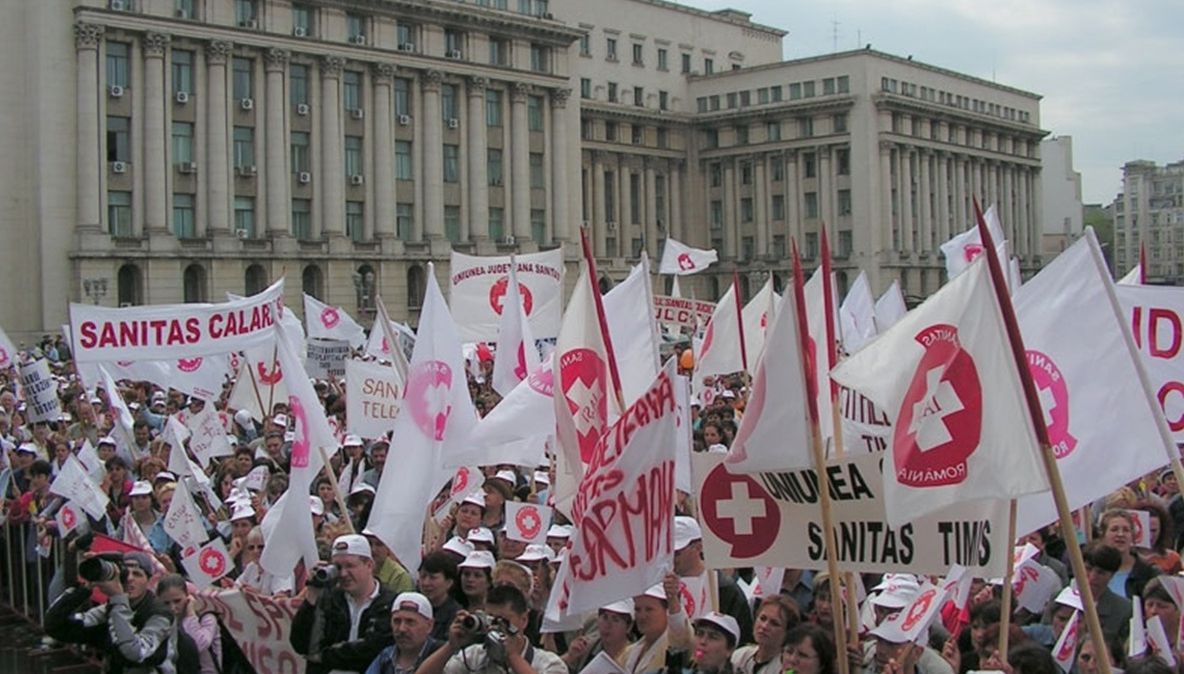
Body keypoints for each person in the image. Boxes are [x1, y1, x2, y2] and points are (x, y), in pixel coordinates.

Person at [45, 550, 176, 673]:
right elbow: (55, 626)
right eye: (124, 574)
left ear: (149, 580)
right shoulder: (108, 610)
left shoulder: (160, 614)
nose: (129, 579)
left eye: (137, 574)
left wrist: (118, 598)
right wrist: (84, 588)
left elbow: (135, 652)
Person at [291, 534, 398, 674]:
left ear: (369, 565)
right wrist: (312, 596)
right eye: (337, 567)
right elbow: (301, 644)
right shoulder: (328, 600)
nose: (343, 574)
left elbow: (373, 648)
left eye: (350, 566)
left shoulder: (390, 602)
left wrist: (323, 656)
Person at [414, 584, 567, 674]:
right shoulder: (474, 656)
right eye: (490, 619)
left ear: (524, 619)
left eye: (503, 620)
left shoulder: (549, 663)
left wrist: (513, 656)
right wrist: (450, 646)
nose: (495, 627)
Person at [672, 517, 753, 645]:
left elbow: (742, 634)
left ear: (698, 547)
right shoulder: (659, 588)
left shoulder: (724, 587)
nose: (671, 558)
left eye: (677, 553)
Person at [365, 592, 445, 674]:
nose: (402, 629)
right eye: (397, 621)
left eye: (410, 622)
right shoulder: (385, 658)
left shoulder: (445, 656)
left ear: (429, 625)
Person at [157, 573, 221, 674]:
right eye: (166, 603)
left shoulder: (207, 618)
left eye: (177, 601)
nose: (172, 608)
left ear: (188, 597)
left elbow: (198, 645)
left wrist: (190, 615)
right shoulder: (161, 623)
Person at [1097, 509, 1159, 598]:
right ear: (1103, 535)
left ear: (1133, 536)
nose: (1120, 534)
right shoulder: (1093, 569)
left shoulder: (1148, 572)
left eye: (1126, 530)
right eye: (1114, 529)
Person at [1081, 541, 1133, 642]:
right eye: (1088, 569)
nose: (1092, 577)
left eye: (1100, 573)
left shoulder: (1124, 609)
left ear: (1112, 575)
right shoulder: (1059, 598)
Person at [732, 596, 799, 674]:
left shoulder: (788, 668)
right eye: (762, 618)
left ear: (787, 632)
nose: (764, 626)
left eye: (774, 623)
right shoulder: (739, 656)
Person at [562, 600, 635, 671]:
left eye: (615, 620)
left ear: (628, 627)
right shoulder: (586, 647)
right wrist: (569, 656)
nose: (608, 625)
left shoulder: (635, 656)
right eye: (604, 617)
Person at [418, 550, 463, 642]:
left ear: (449, 583)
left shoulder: (455, 615)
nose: (426, 583)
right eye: (423, 577)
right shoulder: (413, 608)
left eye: (432, 578)